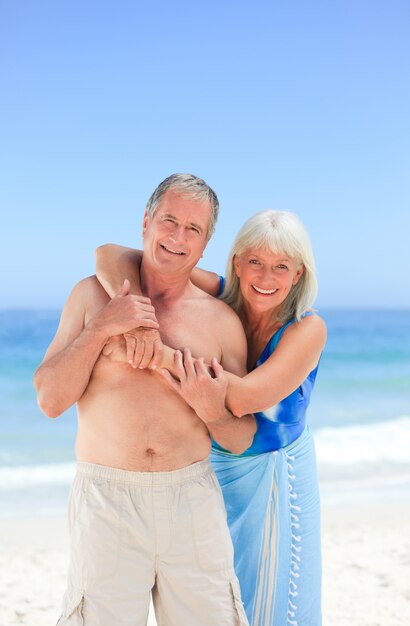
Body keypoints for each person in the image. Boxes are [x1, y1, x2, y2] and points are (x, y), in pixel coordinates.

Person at [34, 173, 255, 626]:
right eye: (169, 221)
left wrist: (210, 409)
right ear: (146, 222)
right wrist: (100, 329)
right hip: (107, 499)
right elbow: (50, 400)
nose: (177, 238)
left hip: (191, 498)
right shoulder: (90, 296)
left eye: (193, 229)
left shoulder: (221, 322)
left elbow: (241, 438)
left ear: (205, 242)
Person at [96, 208, 327, 626]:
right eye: (255, 262)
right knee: (219, 599)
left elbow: (243, 398)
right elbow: (110, 255)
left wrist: (151, 353)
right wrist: (142, 322)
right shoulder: (223, 298)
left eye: (281, 266)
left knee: (270, 599)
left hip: (275, 478)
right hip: (214, 463)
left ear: (298, 274)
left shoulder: (307, 330)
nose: (265, 277)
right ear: (237, 263)